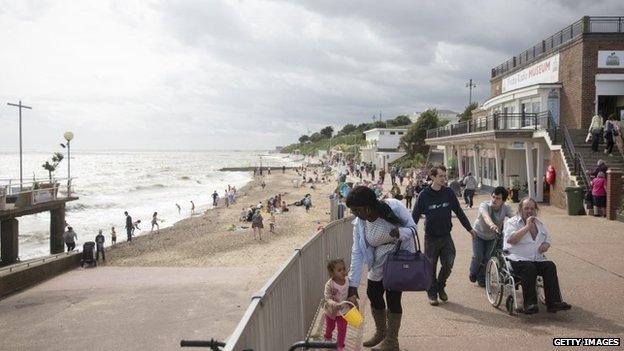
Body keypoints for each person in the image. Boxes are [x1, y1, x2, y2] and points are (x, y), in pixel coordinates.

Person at [346, 186, 416, 350]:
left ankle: (392, 341)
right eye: (352, 210)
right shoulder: (360, 223)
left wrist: (399, 233)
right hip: (379, 259)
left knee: (393, 298)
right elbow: (357, 252)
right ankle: (381, 332)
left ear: (368, 205)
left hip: (398, 258)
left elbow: (413, 228)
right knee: (373, 293)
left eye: (357, 210)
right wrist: (352, 285)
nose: (355, 214)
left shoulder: (394, 207)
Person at [412, 165, 475, 306]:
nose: (443, 179)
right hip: (431, 238)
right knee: (430, 267)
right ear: (433, 177)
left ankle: (440, 286)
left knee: (448, 263)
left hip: (446, 236)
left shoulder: (448, 193)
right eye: (440, 176)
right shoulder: (424, 195)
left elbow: (459, 211)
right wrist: (409, 233)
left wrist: (469, 229)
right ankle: (432, 292)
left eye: (444, 176)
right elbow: (414, 216)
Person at [503, 197, 572, 314]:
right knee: (529, 268)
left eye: (532, 208)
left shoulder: (539, 224)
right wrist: (527, 227)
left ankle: (553, 302)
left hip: (537, 258)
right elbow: (511, 240)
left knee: (550, 266)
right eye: (526, 208)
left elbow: (547, 239)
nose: (529, 211)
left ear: (535, 210)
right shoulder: (512, 222)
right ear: (520, 209)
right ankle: (530, 304)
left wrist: (546, 244)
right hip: (518, 259)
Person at [469, 186, 513, 287]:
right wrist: (492, 225)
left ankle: (481, 278)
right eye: (493, 197)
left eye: (498, 198)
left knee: (487, 258)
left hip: (492, 237)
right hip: (478, 234)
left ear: (503, 200)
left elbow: (513, 216)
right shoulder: (484, 205)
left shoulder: (505, 208)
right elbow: (486, 216)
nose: (494, 200)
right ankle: (473, 272)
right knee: (478, 256)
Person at [323, 259, 350, 351]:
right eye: (339, 270)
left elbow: (351, 292)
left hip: (344, 311)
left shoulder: (348, 280)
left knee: (342, 329)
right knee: (331, 327)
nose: (343, 271)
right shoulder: (329, 284)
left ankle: (340, 346)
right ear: (332, 273)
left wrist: (353, 297)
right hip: (331, 311)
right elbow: (327, 298)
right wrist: (334, 304)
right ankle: (327, 337)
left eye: (344, 268)